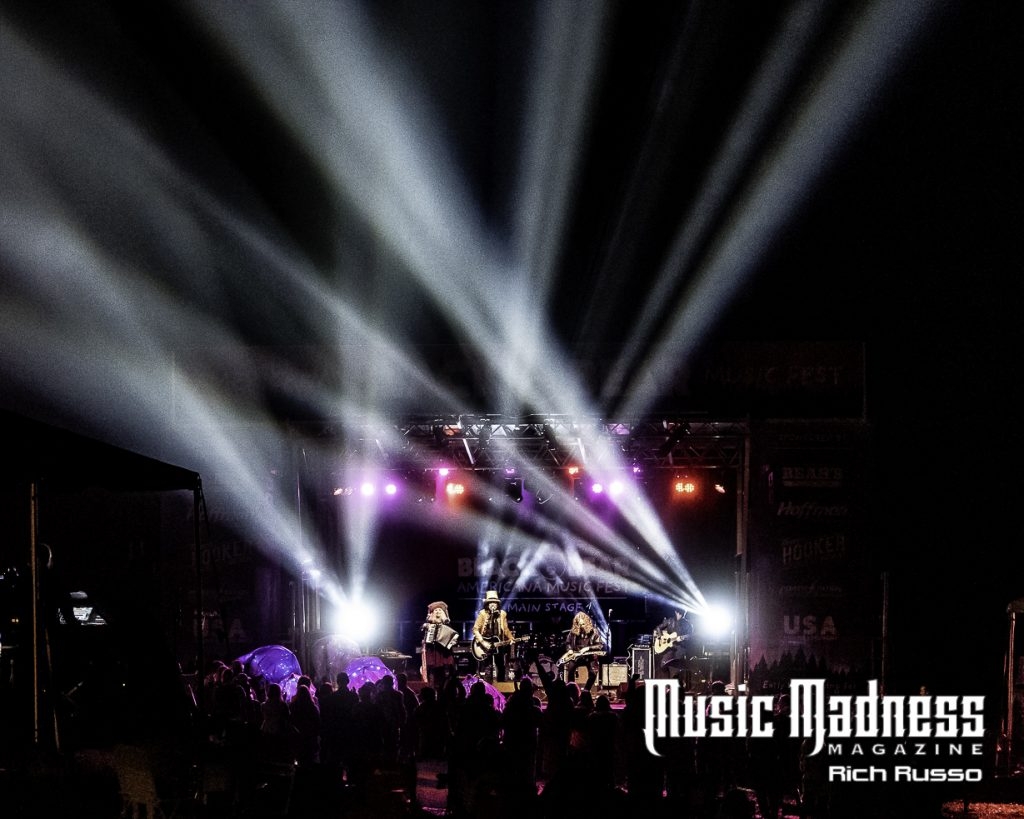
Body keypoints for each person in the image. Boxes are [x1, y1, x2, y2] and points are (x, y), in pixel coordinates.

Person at [472, 589, 516, 682]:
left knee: (500, 665)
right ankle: (487, 685)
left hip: (498, 642)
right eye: (490, 602)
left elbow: (506, 629)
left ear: (497, 604)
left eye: (494, 602)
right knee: (487, 666)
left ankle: (500, 685)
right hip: (485, 643)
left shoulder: (502, 614)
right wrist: (482, 642)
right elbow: (475, 629)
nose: (493, 604)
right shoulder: (482, 613)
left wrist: (511, 638)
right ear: (487, 604)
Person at [560, 610, 604, 692]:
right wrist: (569, 650)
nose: (581, 626)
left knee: (593, 673)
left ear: (587, 623)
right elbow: (568, 643)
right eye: (579, 624)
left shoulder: (594, 632)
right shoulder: (573, 632)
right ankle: (572, 690)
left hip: (589, 657)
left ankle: (586, 690)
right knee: (570, 670)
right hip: (576, 656)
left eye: (583, 624)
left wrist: (588, 648)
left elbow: (600, 645)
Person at [420, 600, 458, 691]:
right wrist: (424, 627)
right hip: (433, 652)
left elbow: (453, 637)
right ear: (432, 613)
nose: (438, 612)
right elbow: (421, 637)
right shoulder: (428, 625)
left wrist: (453, 641)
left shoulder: (448, 625)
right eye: (435, 610)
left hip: (444, 653)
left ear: (444, 613)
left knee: (446, 672)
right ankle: (432, 690)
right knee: (432, 672)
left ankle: (445, 690)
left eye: (440, 610)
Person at [653, 607, 693, 679]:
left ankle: (677, 682)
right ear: (676, 612)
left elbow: (690, 636)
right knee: (663, 665)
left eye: (682, 614)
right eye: (679, 613)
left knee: (676, 667)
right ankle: (669, 681)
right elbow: (658, 628)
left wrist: (682, 638)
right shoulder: (670, 621)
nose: (681, 615)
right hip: (669, 648)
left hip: (680, 648)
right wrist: (660, 637)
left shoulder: (687, 624)